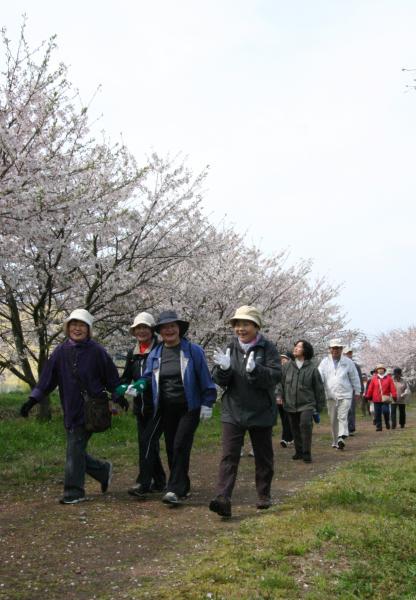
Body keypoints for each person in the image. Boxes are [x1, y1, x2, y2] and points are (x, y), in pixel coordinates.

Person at [19, 309, 126, 504]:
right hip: (71, 407)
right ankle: (102, 471)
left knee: (74, 447)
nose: (77, 328)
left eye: (82, 325)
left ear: (88, 329)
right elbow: (47, 380)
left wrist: (119, 396)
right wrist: (32, 400)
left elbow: (111, 377)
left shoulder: (97, 351)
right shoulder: (60, 352)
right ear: (68, 328)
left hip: (93, 409)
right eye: (74, 324)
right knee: (75, 449)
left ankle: (74, 492)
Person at [209, 305, 281, 518]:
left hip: (261, 410)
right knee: (229, 455)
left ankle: (263, 494)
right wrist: (223, 370)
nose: (241, 328)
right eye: (237, 324)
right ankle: (223, 498)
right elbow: (221, 380)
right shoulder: (230, 347)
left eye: (246, 324)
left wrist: (255, 370)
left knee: (263, 455)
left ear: (256, 326)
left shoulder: (267, 348)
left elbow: (275, 375)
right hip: (233, 410)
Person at [140, 310, 217, 505]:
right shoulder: (156, 353)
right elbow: (149, 376)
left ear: (179, 329)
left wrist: (208, 402)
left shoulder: (193, 351)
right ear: (160, 332)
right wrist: (138, 385)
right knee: (171, 447)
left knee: (180, 444)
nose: (169, 330)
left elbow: (205, 379)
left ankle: (174, 489)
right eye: (165, 328)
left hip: (188, 406)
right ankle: (182, 485)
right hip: (165, 407)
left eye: (172, 326)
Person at [118, 312, 166, 497]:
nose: (141, 331)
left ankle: (143, 483)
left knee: (147, 442)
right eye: (138, 328)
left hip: (158, 405)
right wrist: (121, 391)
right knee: (148, 443)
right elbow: (126, 377)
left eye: (145, 327)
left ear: (152, 330)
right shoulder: (133, 354)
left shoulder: (161, 349)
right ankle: (160, 480)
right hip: (141, 407)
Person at [281, 340, 325, 463]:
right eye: (295, 346)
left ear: (305, 350)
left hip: (307, 404)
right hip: (290, 403)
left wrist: (319, 406)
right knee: (294, 428)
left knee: (305, 426)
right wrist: (279, 396)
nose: (295, 348)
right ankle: (298, 451)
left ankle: (306, 452)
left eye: (299, 347)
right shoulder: (286, 367)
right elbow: (281, 383)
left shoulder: (312, 368)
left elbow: (319, 388)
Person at [318, 339, 361, 450]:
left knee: (342, 416)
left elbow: (354, 377)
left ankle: (341, 437)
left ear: (341, 349)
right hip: (330, 394)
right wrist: (318, 387)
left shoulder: (348, 362)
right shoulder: (324, 362)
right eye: (333, 348)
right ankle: (335, 441)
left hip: (345, 393)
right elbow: (319, 376)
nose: (335, 350)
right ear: (330, 349)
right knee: (333, 419)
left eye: (338, 348)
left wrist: (357, 391)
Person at [365, 364, 397, 431]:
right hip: (376, 399)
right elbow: (370, 388)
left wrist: (394, 395)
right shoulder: (374, 379)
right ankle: (379, 427)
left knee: (386, 411)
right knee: (377, 413)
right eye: (379, 369)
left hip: (385, 398)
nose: (380, 370)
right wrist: (368, 396)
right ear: (377, 370)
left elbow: (392, 388)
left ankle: (387, 422)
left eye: (381, 368)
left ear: (384, 370)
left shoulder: (389, 378)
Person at [343, 346, 364, 436]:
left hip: (352, 390)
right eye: (347, 353)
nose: (349, 355)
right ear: (343, 354)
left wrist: (360, 390)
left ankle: (350, 428)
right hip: (341, 390)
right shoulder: (340, 364)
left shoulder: (356, 366)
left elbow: (359, 378)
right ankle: (343, 429)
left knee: (351, 409)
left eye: (350, 353)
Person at [276, 351, 294, 448]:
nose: (282, 361)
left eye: (284, 359)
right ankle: (288, 438)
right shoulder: (278, 371)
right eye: (281, 360)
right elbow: (278, 385)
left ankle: (287, 438)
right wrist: (279, 396)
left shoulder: (294, 370)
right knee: (284, 419)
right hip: (280, 398)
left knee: (289, 418)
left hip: (291, 399)